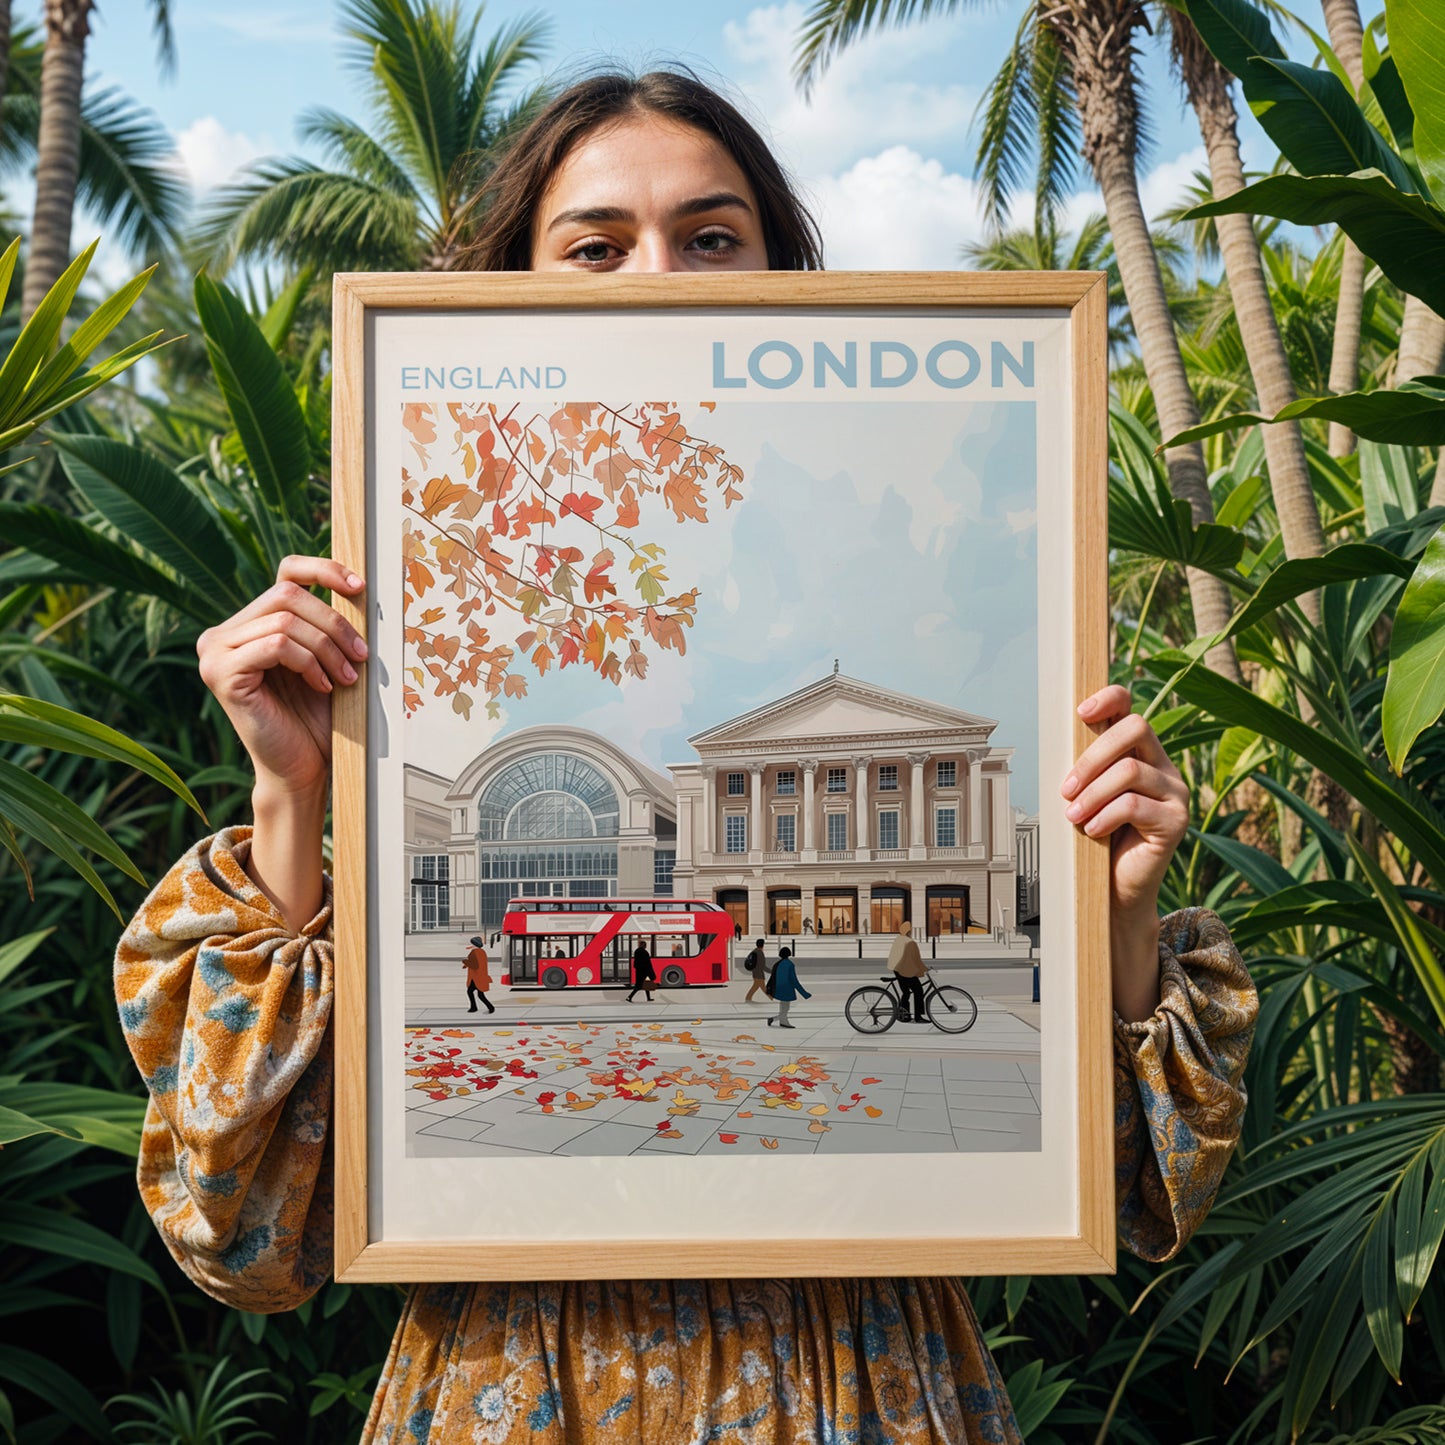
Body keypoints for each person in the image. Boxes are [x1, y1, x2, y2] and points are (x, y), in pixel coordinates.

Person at [115, 68, 1256, 1445]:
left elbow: (1143, 1200)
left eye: (711, 236)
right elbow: (245, 1241)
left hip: (861, 1383)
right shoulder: (418, 675)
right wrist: (295, 789)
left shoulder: (957, 603)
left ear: (785, 275)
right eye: (594, 246)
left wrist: (1110, 911)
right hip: (522, 1389)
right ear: (504, 290)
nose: (657, 278)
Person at [888, 920, 929, 1023]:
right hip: (904, 971)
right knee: (918, 991)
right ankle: (918, 1017)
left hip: (897, 969)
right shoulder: (910, 943)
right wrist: (925, 969)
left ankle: (904, 1015)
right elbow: (916, 960)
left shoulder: (899, 939)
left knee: (906, 992)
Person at [765, 945, 810, 1029]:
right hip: (787, 988)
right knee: (785, 1008)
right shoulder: (790, 964)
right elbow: (794, 980)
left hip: (778, 988)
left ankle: (773, 1019)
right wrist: (804, 993)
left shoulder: (777, 964)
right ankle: (783, 1022)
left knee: (784, 1007)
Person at [463, 936, 494, 1015]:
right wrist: (467, 964)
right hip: (480, 976)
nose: (471, 945)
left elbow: (475, 965)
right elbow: (479, 963)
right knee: (479, 994)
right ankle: (488, 1007)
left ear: (474, 944)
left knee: (471, 992)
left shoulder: (474, 952)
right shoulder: (482, 952)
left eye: (472, 944)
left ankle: (476, 1007)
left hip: (476, 977)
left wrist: (465, 962)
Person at [626, 938, 656, 1003]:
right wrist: (651, 972)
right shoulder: (645, 952)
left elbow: (636, 962)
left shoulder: (636, 951)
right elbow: (648, 964)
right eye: (645, 945)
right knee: (640, 986)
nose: (646, 946)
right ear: (643, 945)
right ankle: (629, 997)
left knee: (646, 985)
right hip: (644, 972)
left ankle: (648, 998)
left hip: (639, 972)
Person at [743, 937, 769, 1002]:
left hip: (755, 973)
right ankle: (771, 998)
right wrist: (772, 971)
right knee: (763, 988)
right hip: (759, 974)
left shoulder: (754, 951)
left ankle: (748, 998)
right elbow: (763, 966)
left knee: (756, 986)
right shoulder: (760, 953)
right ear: (763, 945)